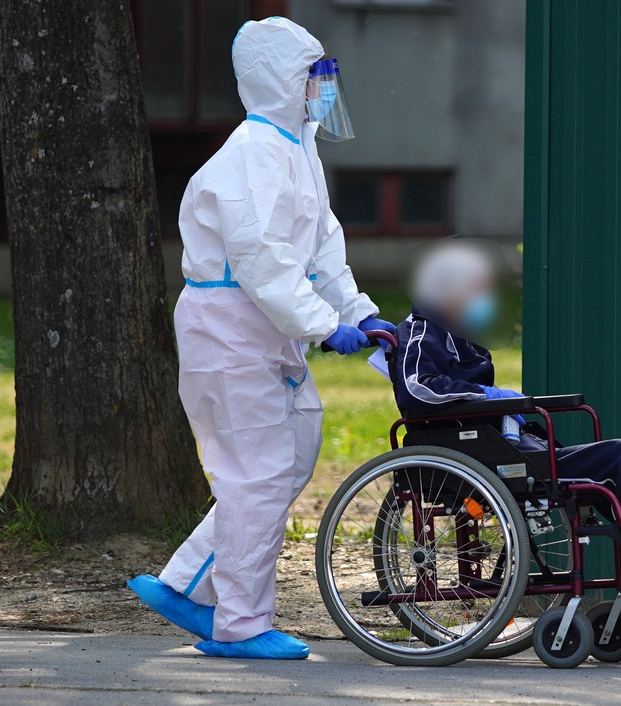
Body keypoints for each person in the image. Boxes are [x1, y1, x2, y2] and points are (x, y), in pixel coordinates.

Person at [127, 17, 396, 660]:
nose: (323, 92)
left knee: (291, 456)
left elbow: (323, 251)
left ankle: (186, 585)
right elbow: (262, 261)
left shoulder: (299, 150)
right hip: (229, 329)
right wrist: (326, 327)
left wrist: (363, 315)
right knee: (257, 473)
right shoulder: (250, 155)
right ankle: (239, 624)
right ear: (281, 81)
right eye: (314, 78)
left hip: (264, 331)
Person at [391, 242, 621, 642]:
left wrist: (502, 403)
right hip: (479, 455)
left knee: (619, 479)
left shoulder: (458, 335)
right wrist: (491, 398)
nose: (483, 300)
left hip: (503, 448)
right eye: (475, 290)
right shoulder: (421, 331)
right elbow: (416, 390)